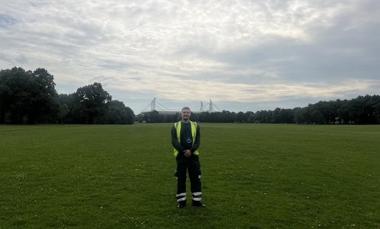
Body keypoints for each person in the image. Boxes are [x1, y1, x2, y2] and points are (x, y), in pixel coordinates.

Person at [171, 106, 205, 208]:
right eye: (184, 112)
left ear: (190, 114)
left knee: (196, 179)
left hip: (193, 157)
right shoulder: (175, 126)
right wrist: (183, 151)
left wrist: (191, 150)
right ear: (181, 113)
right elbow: (174, 141)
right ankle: (181, 202)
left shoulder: (196, 125)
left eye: (187, 112)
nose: (186, 114)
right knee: (181, 179)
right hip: (181, 157)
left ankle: (196, 201)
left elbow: (197, 141)